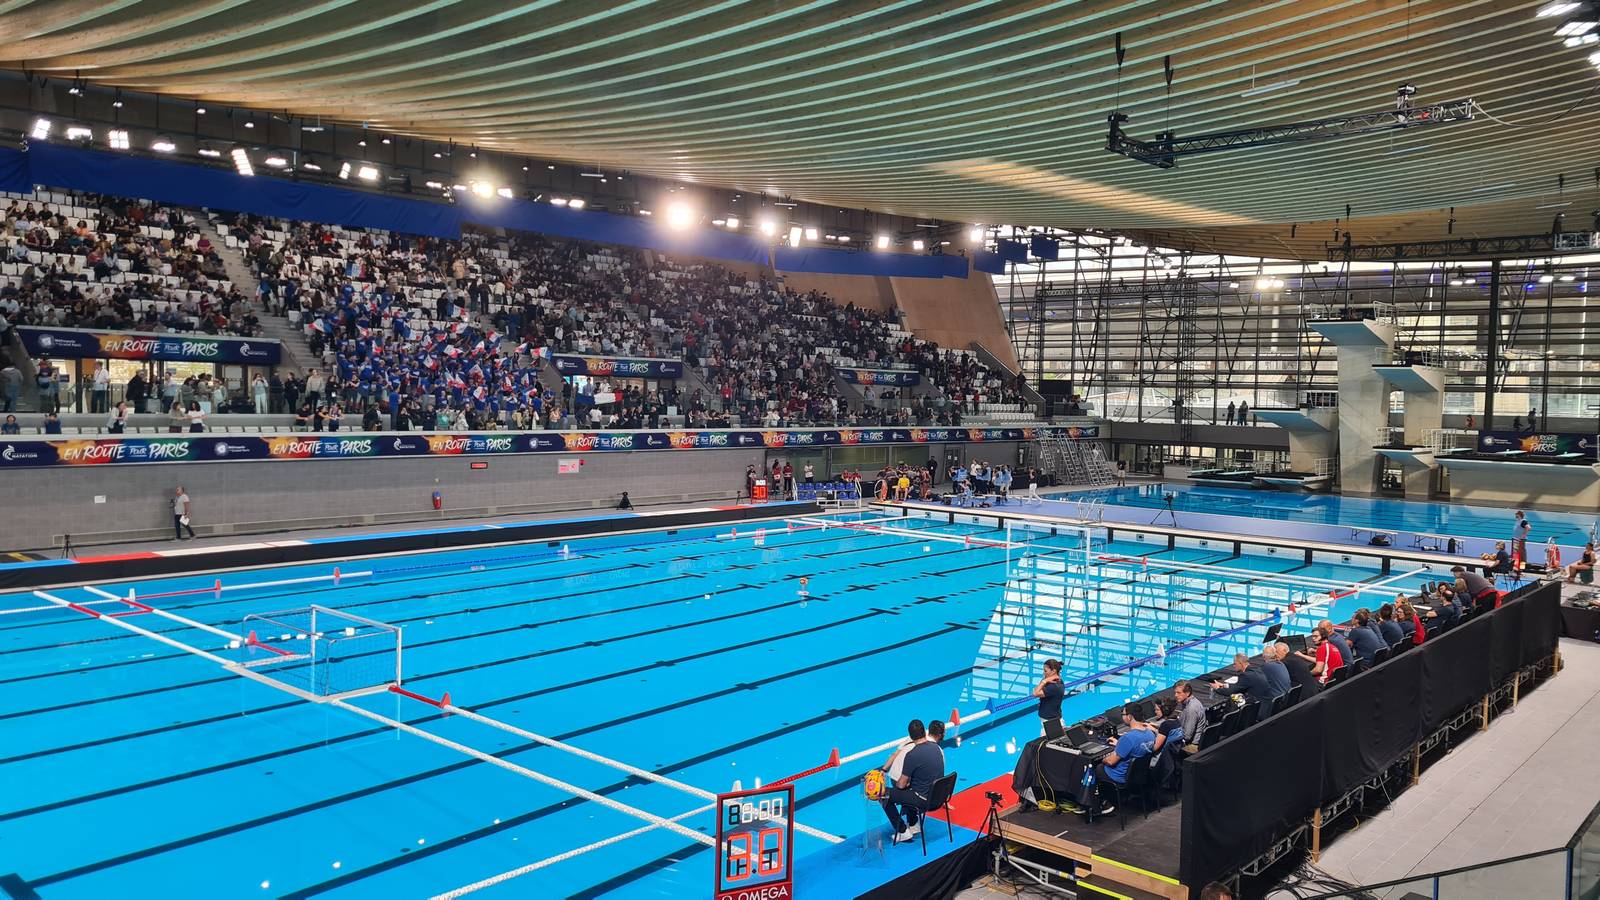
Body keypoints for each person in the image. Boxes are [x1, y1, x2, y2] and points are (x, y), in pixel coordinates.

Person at [880, 719, 943, 844]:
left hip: (923, 801)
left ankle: (903, 831)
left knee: (883, 794)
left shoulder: (912, 755)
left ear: (910, 736)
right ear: (924, 733)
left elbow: (901, 784)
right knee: (912, 787)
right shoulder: (937, 748)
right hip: (938, 798)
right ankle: (914, 824)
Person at [1092, 704, 1157, 813]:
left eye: (1123, 714)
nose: (1122, 717)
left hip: (1121, 776)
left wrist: (1103, 759)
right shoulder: (1150, 734)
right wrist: (1119, 744)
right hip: (1139, 775)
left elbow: (1111, 762)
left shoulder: (1128, 738)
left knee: (1096, 767)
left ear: (1130, 717)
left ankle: (1101, 803)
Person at [1210, 653, 1277, 722]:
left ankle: (1228, 721)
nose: (1233, 666)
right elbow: (1240, 686)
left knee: (1232, 699)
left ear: (1241, 663)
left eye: (1235, 664)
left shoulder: (1246, 675)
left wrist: (1217, 688)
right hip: (1268, 705)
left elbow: (1229, 692)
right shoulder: (1256, 670)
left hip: (1259, 709)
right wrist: (1224, 685)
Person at [1032, 659, 1065, 738]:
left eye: (1045, 671)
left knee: (1044, 747)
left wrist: (1044, 681)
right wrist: (1045, 680)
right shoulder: (1056, 681)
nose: (1043, 673)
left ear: (1053, 671)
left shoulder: (1054, 686)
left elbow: (1035, 693)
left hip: (1051, 724)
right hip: (1052, 721)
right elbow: (1036, 690)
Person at [1172, 680, 1208, 753]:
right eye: (1175, 692)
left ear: (1187, 693)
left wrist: (1169, 733)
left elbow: (1187, 736)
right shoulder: (1192, 702)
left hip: (1192, 745)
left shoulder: (1191, 709)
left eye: (1178, 693)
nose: (1175, 695)